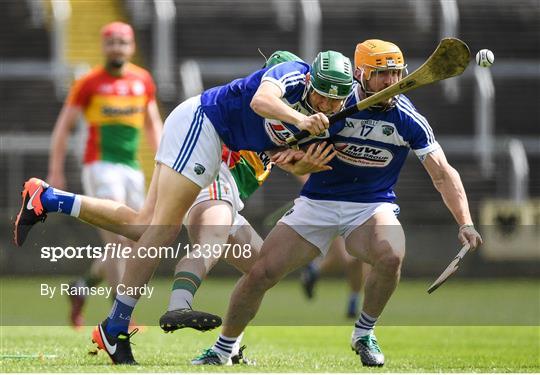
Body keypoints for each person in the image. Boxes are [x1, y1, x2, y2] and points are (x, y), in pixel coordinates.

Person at [13, 50, 354, 365]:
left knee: (256, 264)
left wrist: (300, 164)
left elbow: (285, 156)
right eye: (322, 93)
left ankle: (49, 199)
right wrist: (301, 120)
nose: (326, 103)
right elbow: (263, 101)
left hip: (199, 133)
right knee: (163, 230)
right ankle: (118, 326)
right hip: (202, 124)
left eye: (334, 98)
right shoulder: (286, 81)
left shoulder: (295, 122)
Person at [194, 39, 483, 368]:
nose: (392, 82)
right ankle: (223, 349)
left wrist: (465, 221)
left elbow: (443, 174)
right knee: (261, 272)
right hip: (317, 203)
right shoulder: (330, 101)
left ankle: (364, 333)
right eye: (381, 75)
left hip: (370, 207)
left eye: (396, 74)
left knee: (391, 254)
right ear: (360, 74)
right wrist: (300, 163)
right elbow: (278, 149)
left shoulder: (408, 119)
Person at [40, 21, 163, 329]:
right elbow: (62, 127)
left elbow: (153, 125)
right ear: (103, 46)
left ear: (131, 46)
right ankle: (121, 318)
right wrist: (55, 170)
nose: (117, 48)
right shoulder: (89, 82)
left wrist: (165, 166)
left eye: (123, 42)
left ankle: (82, 286)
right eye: (111, 42)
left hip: (132, 169)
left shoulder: (142, 80)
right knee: (119, 238)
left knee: (133, 241)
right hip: (100, 166)